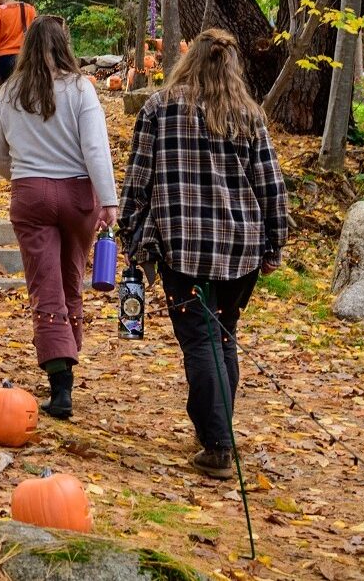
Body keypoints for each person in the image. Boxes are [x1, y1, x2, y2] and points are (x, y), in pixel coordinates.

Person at [118, 28, 289, 479]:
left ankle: (217, 445)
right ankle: (216, 431)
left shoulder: (160, 107)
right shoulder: (248, 115)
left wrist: (131, 232)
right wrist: (275, 243)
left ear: (188, 60)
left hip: (182, 248)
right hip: (240, 249)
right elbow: (272, 188)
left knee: (201, 339)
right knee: (222, 335)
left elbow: (138, 177)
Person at [0, 16, 117, 421]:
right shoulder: (81, 89)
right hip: (79, 194)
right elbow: (95, 148)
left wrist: (25, 177)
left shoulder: (10, 92)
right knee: (70, 279)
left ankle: (60, 381)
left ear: (25, 47)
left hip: (31, 197)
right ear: (65, 45)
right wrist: (109, 200)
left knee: (45, 285)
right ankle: (67, 364)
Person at [0, 0, 36, 82]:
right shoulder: (30, 9)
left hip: (6, 58)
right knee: (26, 91)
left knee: (8, 93)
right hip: (26, 57)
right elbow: (35, 34)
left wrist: (1, 51)